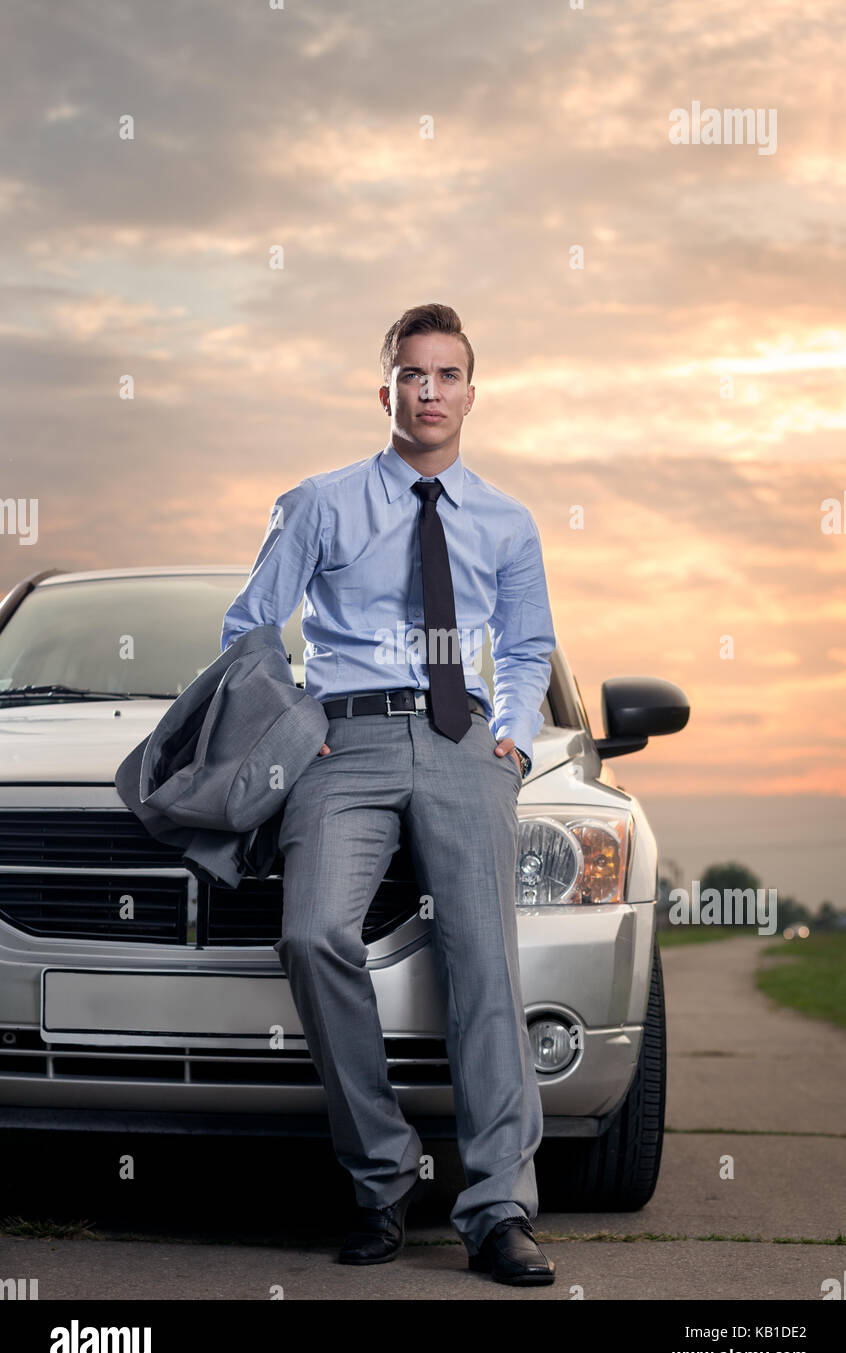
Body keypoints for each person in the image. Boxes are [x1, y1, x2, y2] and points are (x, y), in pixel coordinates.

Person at [221, 303, 557, 1286]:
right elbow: (248, 628)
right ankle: (379, 1178)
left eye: (446, 374)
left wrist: (512, 737)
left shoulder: (506, 521)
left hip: (463, 742)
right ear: (386, 391)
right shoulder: (318, 503)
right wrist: (297, 727)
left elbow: (527, 646)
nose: (429, 392)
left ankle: (496, 1210)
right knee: (312, 932)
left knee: (485, 967)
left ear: (467, 390)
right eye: (412, 375)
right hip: (345, 737)